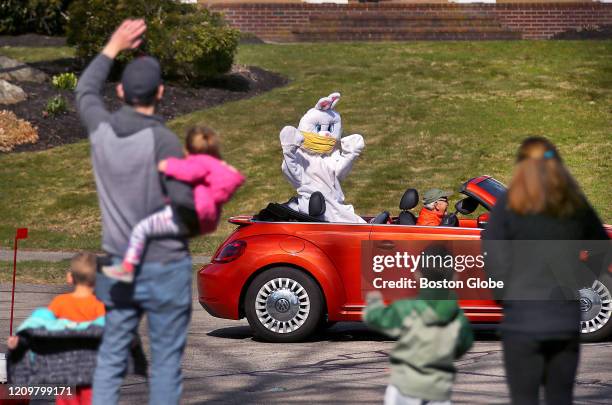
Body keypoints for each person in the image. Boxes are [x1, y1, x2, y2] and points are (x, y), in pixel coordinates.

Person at [75, 19, 197, 405]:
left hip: (117, 267)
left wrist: (114, 45)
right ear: (160, 93)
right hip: (166, 266)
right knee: (163, 366)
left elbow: (84, 90)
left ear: (122, 90)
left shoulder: (102, 130)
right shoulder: (164, 142)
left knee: (110, 360)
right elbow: (187, 210)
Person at [482, 136, 609, 405]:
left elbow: (493, 254)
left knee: (524, 399)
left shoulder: (508, 205)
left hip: (522, 319)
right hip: (562, 317)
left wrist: (503, 294)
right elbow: (600, 246)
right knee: (560, 397)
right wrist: (580, 280)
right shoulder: (573, 203)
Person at [102, 125, 245, 282]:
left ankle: (128, 268)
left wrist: (166, 165)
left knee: (141, 229)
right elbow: (229, 181)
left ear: (188, 148)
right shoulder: (219, 166)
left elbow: (190, 172)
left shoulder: (200, 162)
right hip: (205, 220)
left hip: (189, 212)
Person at [363, 246, 473, 405]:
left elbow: (377, 318)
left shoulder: (405, 308)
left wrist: (373, 303)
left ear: (417, 275)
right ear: (454, 277)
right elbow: (463, 345)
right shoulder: (459, 318)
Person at [7, 253, 104, 405]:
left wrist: (21, 340)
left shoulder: (60, 302)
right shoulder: (99, 305)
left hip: (65, 368)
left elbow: (41, 325)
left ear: (70, 278)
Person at [280, 92, 366, 223]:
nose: (325, 134)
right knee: (346, 222)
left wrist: (350, 154)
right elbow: (292, 172)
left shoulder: (331, 156)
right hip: (313, 207)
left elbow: (339, 172)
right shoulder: (301, 156)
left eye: (330, 129)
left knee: (350, 219)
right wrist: (289, 152)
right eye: (319, 128)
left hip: (336, 204)